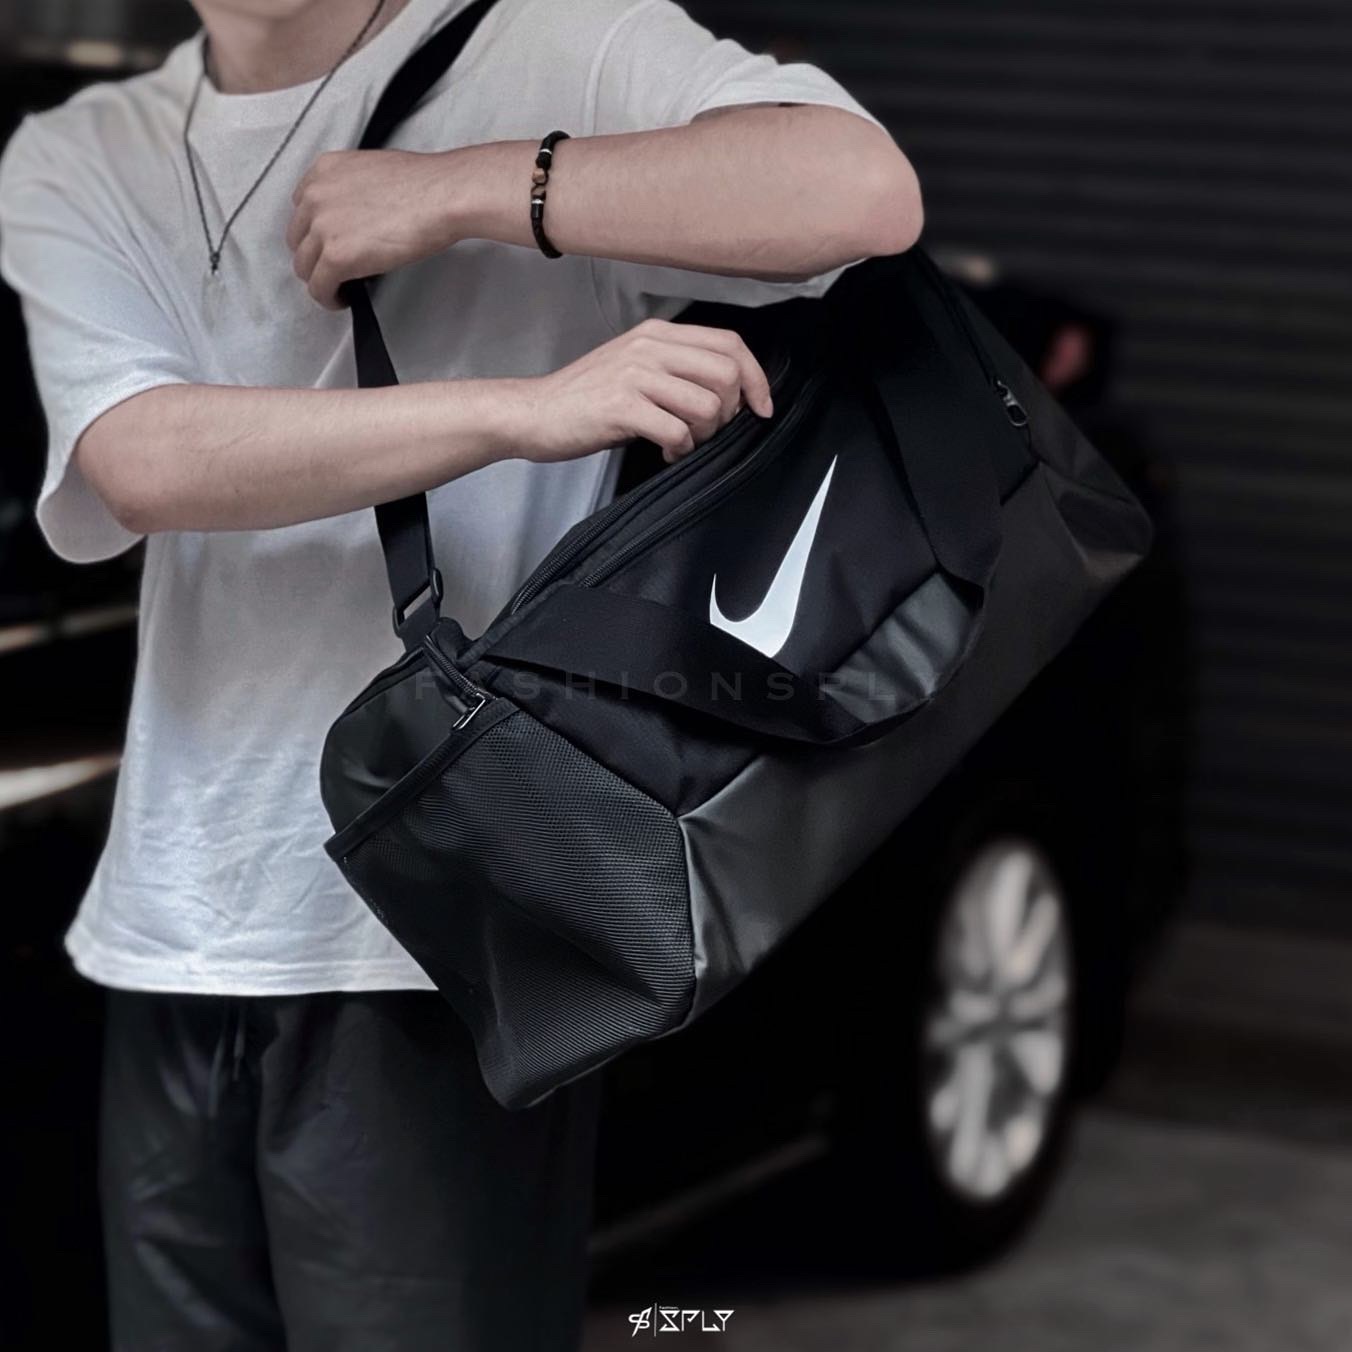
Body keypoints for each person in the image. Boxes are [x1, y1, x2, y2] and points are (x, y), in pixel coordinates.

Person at [0, 0, 920, 1347]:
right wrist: (523, 411)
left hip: (439, 938)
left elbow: (859, 190)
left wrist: (471, 188)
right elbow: (140, 458)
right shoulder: (84, 148)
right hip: (175, 927)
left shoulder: (542, 46)